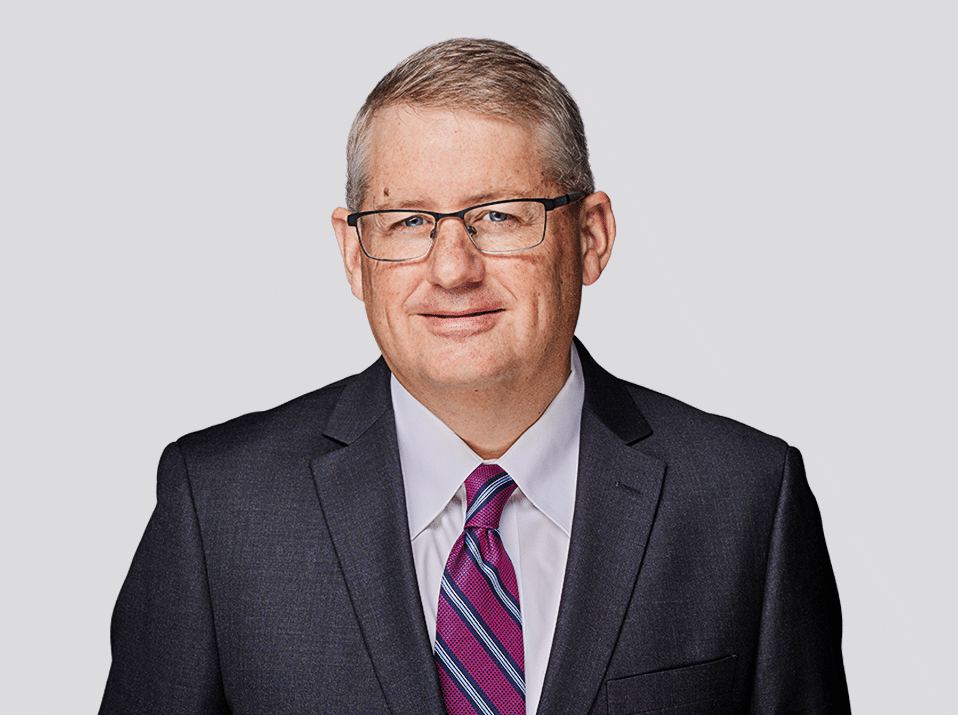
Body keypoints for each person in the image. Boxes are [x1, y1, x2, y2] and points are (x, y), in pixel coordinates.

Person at [99, 38, 850, 715]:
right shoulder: (219, 505)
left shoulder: (747, 499)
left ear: (590, 238)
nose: (452, 268)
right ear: (355, 254)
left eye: (499, 216)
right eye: (408, 222)